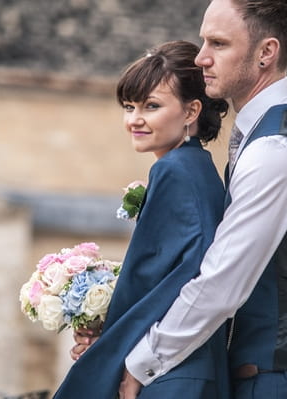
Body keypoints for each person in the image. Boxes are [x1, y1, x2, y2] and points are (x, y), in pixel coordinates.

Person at [118, 0, 287, 398]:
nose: (202, 57)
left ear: (266, 53)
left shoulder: (274, 150)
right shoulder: (267, 134)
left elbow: (222, 284)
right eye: (204, 40)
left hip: (281, 380)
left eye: (219, 44)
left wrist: (141, 364)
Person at [52, 40, 231, 399]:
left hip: (171, 377)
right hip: (194, 367)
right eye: (129, 106)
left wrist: (107, 347)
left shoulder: (174, 171)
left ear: (191, 110)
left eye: (151, 106)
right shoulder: (199, 167)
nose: (134, 119)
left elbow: (150, 283)